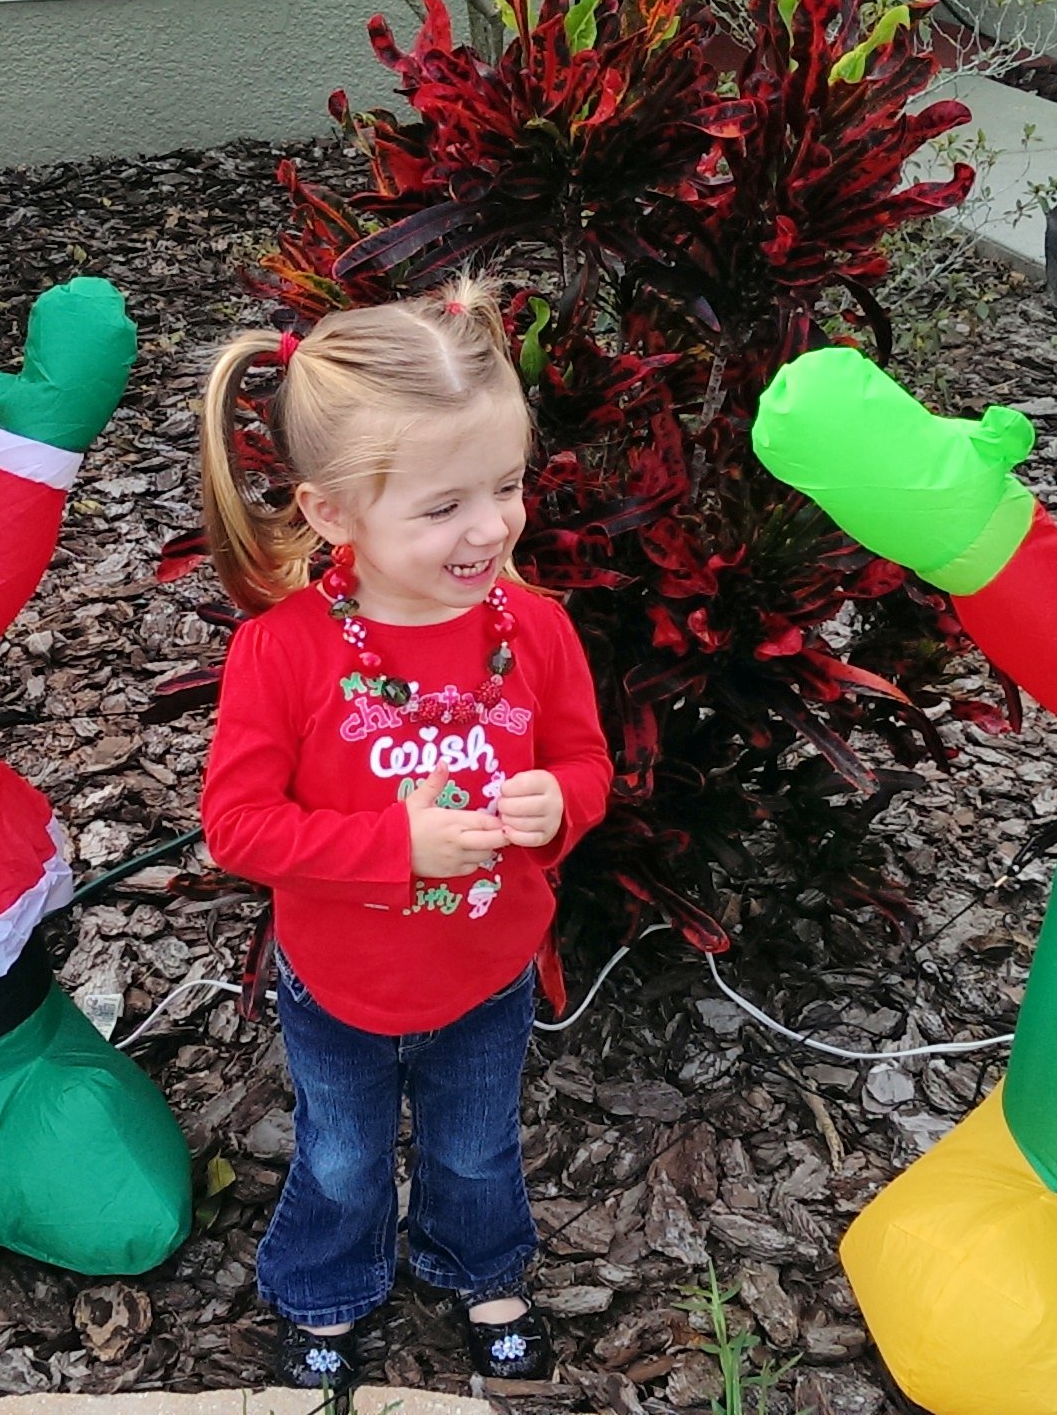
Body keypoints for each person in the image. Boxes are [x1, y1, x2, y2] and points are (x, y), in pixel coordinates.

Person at [195, 278, 612, 1400]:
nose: (490, 527)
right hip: (340, 978)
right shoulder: (284, 652)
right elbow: (237, 827)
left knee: (476, 1143)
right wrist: (396, 846)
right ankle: (326, 1283)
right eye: (441, 507)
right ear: (334, 513)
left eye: (507, 485)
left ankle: (478, 1266)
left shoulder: (537, 628)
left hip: (488, 964)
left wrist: (559, 802)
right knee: (341, 1150)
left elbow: (586, 762)